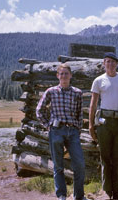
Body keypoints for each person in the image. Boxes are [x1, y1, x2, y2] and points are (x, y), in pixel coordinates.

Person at [36, 63, 86, 200]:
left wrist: (78, 128)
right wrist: (48, 126)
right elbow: (39, 110)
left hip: (72, 130)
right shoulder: (51, 91)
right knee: (58, 165)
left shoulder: (77, 93)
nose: (64, 76)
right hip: (56, 131)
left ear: (71, 75)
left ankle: (79, 196)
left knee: (80, 164)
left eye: (66, 73)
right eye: (61, 73)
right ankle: (61, 195)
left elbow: (79, 113)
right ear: (57, 76)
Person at [89, 52, 118, 200]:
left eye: (113, 62)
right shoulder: (98, 80)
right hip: (104, 123)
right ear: (103, 63)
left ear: (117, 64)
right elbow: (93, 104)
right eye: (107, 62)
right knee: (105, 158)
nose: (110, 65)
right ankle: (107, 191)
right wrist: (91, 125)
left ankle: (116, 192)